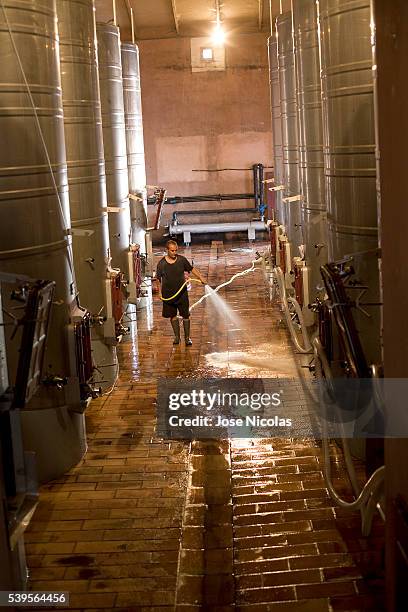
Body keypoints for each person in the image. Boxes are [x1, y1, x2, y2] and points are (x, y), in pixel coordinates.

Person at [156, 240, 206, 346]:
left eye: (176, 250)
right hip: (168, 295)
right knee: (172, 315)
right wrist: (160, 293)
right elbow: (158, 279)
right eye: (172, 251)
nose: (174, 252)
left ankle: (187, 338)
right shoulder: (161, 264)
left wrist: (200, 277)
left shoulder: (181, 260)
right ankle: (177, 337)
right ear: (167, 250)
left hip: (182, 293)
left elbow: (191, 269)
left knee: (185, 315)